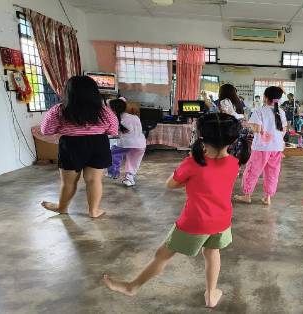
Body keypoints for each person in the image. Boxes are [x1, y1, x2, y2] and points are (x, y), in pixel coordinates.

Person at [103, 113, 250, 308]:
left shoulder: (193, 163)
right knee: (213, 253)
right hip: (222, 221)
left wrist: (190, 177)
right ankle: (211, 294)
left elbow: (170, 184)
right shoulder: (234, 163)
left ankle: (132, 287)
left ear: (201, 137)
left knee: (162, 254)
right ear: (232, 139)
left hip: (195, 222)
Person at [40, 76, 119, 218]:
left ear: (68, 92)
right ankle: (94, 211)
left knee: (68, 182)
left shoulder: (58, 110)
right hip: (98, 144)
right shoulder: (104, 111)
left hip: (71, 146)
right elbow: (113, 130)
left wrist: (63, 128)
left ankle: (62, 208)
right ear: (94, 92)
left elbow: (46, 130)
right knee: (94, 180)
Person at [234, 86, 287, 206]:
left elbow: (257, 128)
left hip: (262, 148)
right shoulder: (281, 112)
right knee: (272, 172)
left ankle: (247, 195)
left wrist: (248, 124)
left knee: (252, 170)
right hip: (277, 147)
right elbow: (284, 130)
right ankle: (267, 197)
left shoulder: (259, 111)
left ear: (265, 97)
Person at [106, 98, 147, 187]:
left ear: (113, 110)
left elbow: (112, 133)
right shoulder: (135, 117)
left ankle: (114, 173)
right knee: (133, 162)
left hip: (126, 143)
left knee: (112, 154)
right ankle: (129, 178)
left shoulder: (116, 119)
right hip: (141, 144)